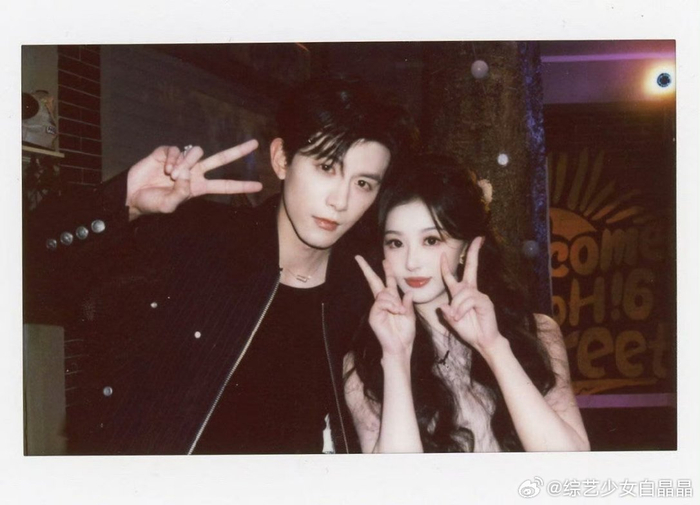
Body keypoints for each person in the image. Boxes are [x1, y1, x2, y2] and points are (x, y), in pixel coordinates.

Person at [24, 75, 416, 455]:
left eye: (363, 183)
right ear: (282, 159)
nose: (340, 201)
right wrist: (122, 201)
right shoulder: (197, 240)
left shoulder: (365, 295)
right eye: (326, 167)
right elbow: (31, 283)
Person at [343, 155, 590, 453]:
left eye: (431, 240)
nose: (411, 262)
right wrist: (396, 357)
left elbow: (570, 463)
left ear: (465, 248)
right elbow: (395, 479)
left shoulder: (537, 332)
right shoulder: (366, 361)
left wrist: (494, 347)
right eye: (395, 243)